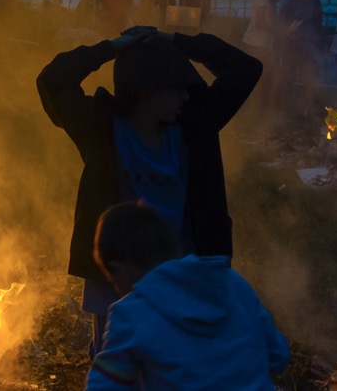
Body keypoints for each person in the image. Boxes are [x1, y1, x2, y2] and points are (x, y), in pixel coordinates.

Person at [36, 26, 261, 358]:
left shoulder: (195, 124)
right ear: (146, 91)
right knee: (117, 366)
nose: (187, 95)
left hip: (183, 275)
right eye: (177, 88)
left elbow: (245, 69)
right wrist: (113, 47)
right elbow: (53, 79)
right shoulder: (100, 126)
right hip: (117, 278)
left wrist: (175, 41)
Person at [88, 202, 289, 389]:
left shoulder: (130, 314)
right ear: (176, 249)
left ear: (119, 271)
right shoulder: (232, 283)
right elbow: (278, 355)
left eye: (112, 280)